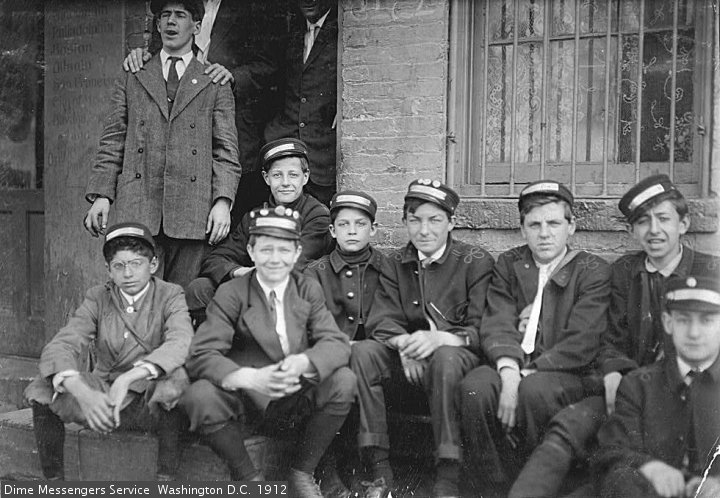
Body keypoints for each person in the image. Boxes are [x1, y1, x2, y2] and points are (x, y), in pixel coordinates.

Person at [509, 175, 720, 498]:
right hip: (628, 390)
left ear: (684, 224)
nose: (654, 230)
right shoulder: (625, 272)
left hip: (690, 390)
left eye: (663, 219)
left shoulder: (711, 272)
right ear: (632, 230)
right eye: (643, 222)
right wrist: (613, 371)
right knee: (569, 426)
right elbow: (611, 337)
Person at [179, 206, 355, 497]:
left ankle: (302, 472)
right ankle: (249, 478)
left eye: (284, 250)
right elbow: (201, 354)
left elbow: (335, 343)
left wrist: (304, 362)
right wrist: (248, 378)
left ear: (297, 253)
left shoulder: (307, 288)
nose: (275, 259)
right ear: (251, 251)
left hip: (292, 394)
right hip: (246, 399)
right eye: (266, 250)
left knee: (343, 381)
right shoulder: (232, 292)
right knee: (199, 395)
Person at [460, 180, 611, 496]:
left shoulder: (591, 269)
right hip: (512, 366)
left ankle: (536, 486)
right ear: (522, 229)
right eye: (534, 225)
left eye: (554, 223)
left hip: (565, 374)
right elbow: (498, 320)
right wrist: (509, 372)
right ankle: (492, 483)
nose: (544, 234)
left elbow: (583, 338)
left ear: (571, 226)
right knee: (476, 388)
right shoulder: (509, 264)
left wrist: (526, 374)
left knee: (534, 391)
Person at [350, 179, 494, 497]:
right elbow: (382, 319)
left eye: (434, 220)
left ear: (451, 222)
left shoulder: (475, 261)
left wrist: (442, 339)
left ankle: (448, 474)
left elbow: (483, 327)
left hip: (456, 358)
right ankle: (380, 468)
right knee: (363, 353)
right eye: (415, 220)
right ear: (405, 222)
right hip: (409, 361)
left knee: (444, 357)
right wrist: (404, 345)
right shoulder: (394, 263)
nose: (424, 230)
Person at [84, 0, 241, 289]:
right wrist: (102, 196)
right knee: (137, 298)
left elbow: (226, 152)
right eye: (165, 15)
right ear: (157, 25)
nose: (171, 22)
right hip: (140, 205)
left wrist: (222, 202)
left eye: (180, 15)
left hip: (192, 212)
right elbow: (113, 139)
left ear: (196, 26)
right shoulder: (134, 73)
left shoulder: (214, 81)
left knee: (181, 302)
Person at [124, 0, 339, 209]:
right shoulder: (176, 8)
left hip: (234, 131)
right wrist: (144, 56)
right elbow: (161, 51)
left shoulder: (251, 7)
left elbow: (271, 65)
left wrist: (232, 77)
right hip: (180, 137)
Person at [24, 222, 193, 481]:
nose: (128, 273)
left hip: (150, 403)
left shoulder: (170, 295)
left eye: (136, 263)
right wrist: (82, 392)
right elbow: (62, 344)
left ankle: (164, 480)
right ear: (108, 270)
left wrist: (129, 378)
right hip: (103, 401)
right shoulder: (98, 298)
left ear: (153, 265)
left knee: (177, 379)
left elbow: (181, 341)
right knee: (43, 387)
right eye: (119, 266)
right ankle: (54, 482)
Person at [592, 273, 720, 498]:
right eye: (683, 320)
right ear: (668, 323)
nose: (694, 333)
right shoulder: (638, 386)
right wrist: (649, 467)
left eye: (706, 320)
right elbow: (611, 452)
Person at [185, 137, 332, 325]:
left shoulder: (316, 215)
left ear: (305, 177)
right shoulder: (254, 216)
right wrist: (238, 272)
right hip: (251, 289)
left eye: (293, 175)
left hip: (289, 295)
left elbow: (292, 267)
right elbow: (216, 259)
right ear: (266, 178)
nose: (285, 183)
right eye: (277, 175)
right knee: (200, 288)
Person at [303, 190, 387, 496]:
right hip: (331, 353)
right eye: (344, 224)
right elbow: (312, 323)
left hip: (376, 356)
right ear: (332, 230)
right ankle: (326, 468)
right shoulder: (316, 272)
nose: (352, 231)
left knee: (361, 368)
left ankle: (372, 469)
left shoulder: (387, 267)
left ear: (373, 229)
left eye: (360, 224)